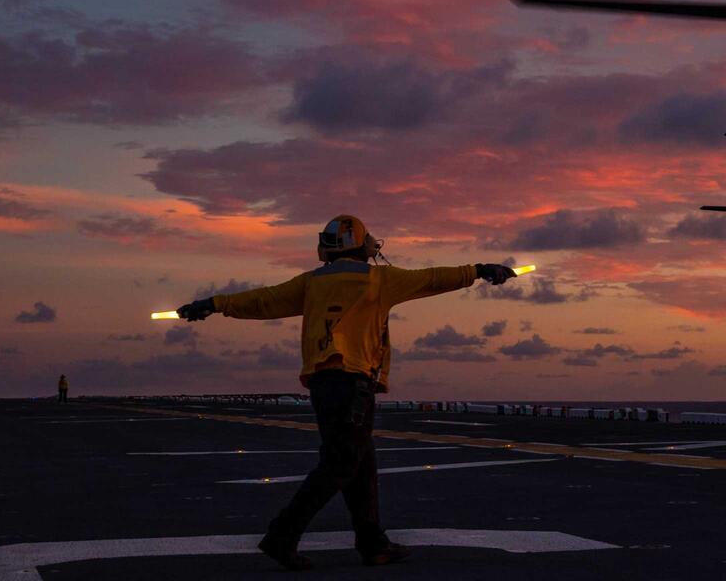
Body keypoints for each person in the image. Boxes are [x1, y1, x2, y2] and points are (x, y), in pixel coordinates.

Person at [176, 214, 519, 571]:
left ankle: (373, 543)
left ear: (327, 246)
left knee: (360, 463)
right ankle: (283, 535)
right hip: (353, 382)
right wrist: (479, 269)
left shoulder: (310, 283)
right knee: (341, 463)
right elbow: (433, 278)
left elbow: (262, 301)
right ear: (363, 243)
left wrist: (213, 304)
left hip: (324, 383)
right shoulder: (379, 279)